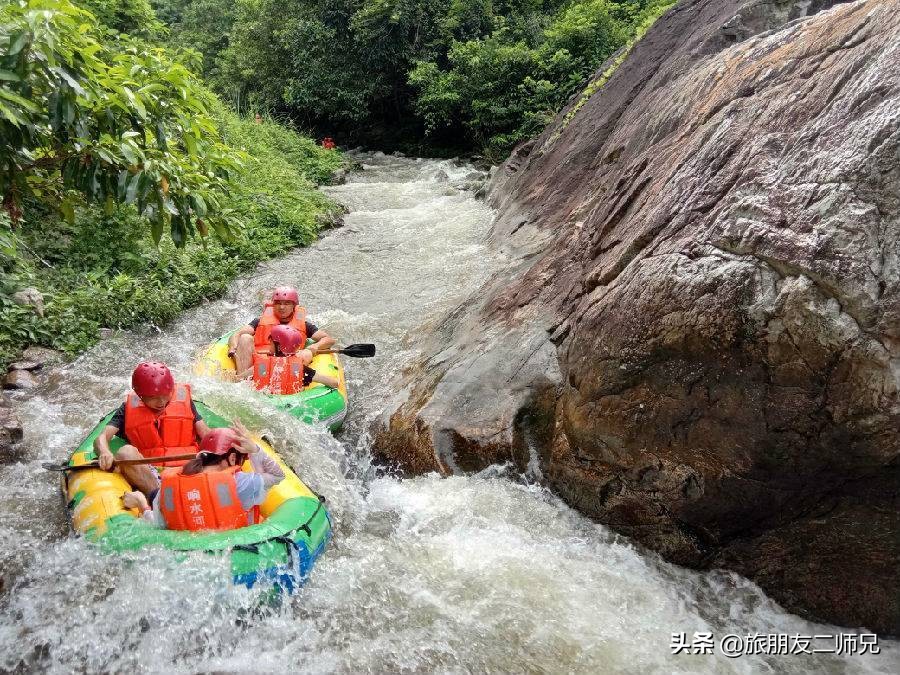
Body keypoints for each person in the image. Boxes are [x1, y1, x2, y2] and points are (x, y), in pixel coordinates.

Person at [123, 423, 285, 531]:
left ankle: (139, 497)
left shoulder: (172, 483)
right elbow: (277, 475)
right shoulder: (241, 483)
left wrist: (142, 504)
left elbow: (156, 525)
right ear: (233, 458)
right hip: (232, 551)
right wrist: (256, 449)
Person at [94, 362, 210, 497]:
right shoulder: (127, 409)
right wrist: (104, 452)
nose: (161, 402)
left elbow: (205, 432)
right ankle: (157, 497)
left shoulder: (183, 400)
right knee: (125, 452)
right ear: (141, 395)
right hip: (151, 473)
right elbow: (102, 437)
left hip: (189, 468)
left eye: (165, 395)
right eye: (153, 398)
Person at [227, 286, 335, 375]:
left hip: (287, 365)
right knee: (245, 337)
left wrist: (314, 347)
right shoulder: (259, 321)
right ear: (273, 304)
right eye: (278, 303)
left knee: (306, 354)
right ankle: (242, 380)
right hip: (258, 362)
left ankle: (291, 384)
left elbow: (329, 339)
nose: (282, 307)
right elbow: (237, 334)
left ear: (294, 306)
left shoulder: (305, 325)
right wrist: (233, 347)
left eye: (287, 303)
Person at [241, 324, 339, 393]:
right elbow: (334, 383)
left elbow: (238, 380)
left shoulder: (260, 367)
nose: (269, 345)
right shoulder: (301, 370)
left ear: (278, 347)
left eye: (270, 342)